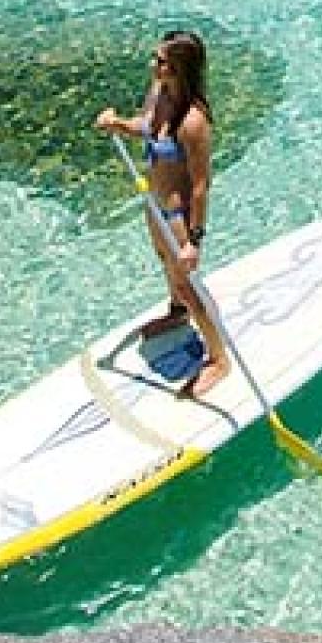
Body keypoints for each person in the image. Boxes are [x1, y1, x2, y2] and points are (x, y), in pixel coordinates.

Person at [94, 31, 223, 394]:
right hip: (154, 202)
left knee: (186, 280)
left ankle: (218, 359)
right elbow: (146, 127)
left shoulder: (194, 122)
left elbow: (200, 186)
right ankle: (178, 313)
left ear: (181, 68)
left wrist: (194, 241)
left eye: (162, 62)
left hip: (178, 215)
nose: (155, 66)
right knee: (164, 261)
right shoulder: (158, 92)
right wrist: (118, 124)